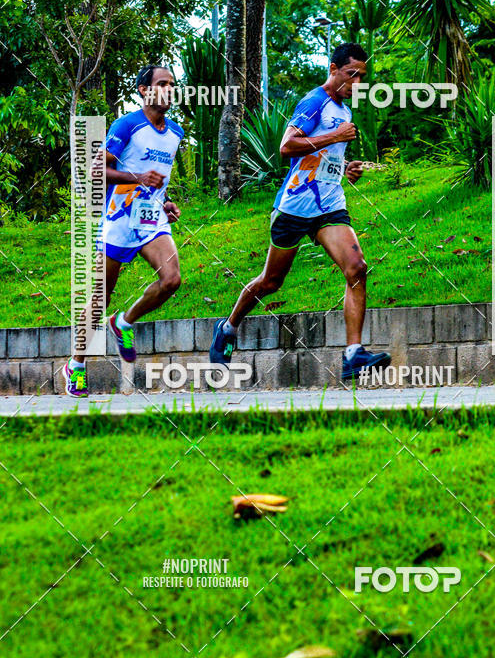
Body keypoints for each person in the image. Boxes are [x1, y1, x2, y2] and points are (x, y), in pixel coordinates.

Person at [210, 42, 391, 382]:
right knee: (271, 282)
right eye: (351, 74)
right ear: (333, 69)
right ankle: (229, 327)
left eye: (362, 77)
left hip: (329, 204)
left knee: (357, 268)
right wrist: (334, 136)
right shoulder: (314, 102)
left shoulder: (345, 112)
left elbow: (322, 159)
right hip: (294, 206)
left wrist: (345, 168)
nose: (357, 83)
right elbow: (287, 146)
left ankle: (353, 355)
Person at [64, 64, 183, 396]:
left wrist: (165, 202)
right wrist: (137, 178)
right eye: (162, 83)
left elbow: (157, 179)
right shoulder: (127, 124)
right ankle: (76, 365)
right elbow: (95, 169)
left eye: (172, 84)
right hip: (119, 218)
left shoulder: (175, 132)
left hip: (150, 218)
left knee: (172, 279)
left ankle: (124, 322)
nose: (169, 89)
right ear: (144, 90)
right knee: (101, 297)